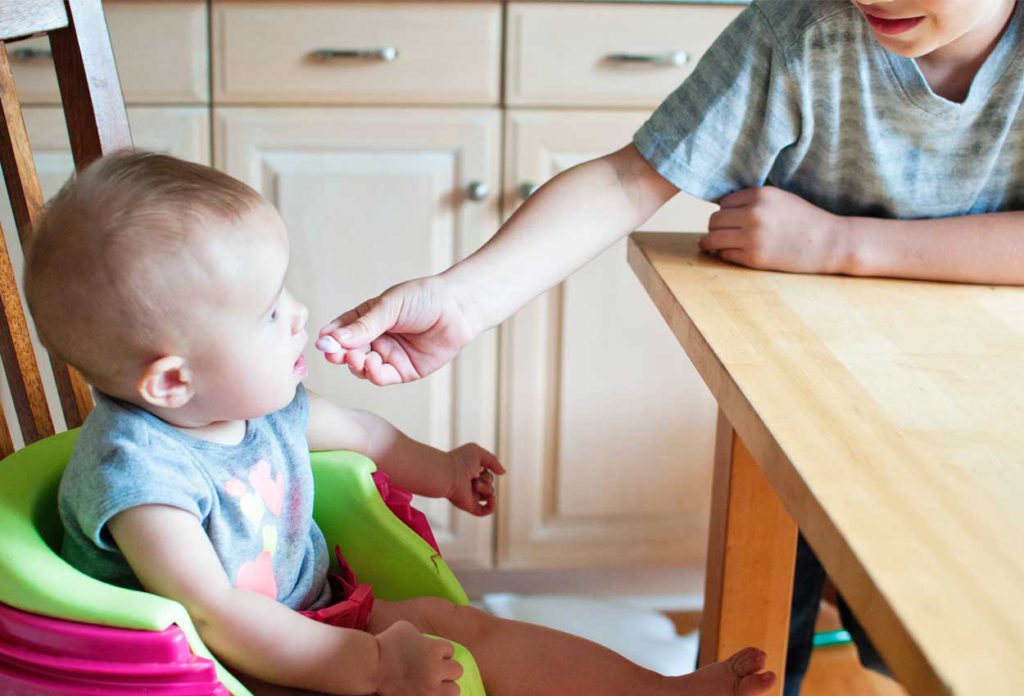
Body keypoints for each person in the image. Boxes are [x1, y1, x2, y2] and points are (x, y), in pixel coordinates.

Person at [314, 1, 1024, 692]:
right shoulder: (797, 31)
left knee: (950, 634)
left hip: (986, 416)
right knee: (781, 632)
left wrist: (840, 244)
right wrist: (463, 300)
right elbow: (630, 178)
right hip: (807, 404)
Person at [24, 151, 776, 696]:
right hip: (218, 671)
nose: (299, 317)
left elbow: (366, 434)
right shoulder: (143, 483)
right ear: (173, 380)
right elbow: (214, 618)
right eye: (267, 313)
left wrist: (442, 469)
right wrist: (377, 666)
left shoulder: (253, 406)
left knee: (466, 628)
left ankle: (655, 692)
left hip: (315, 615)